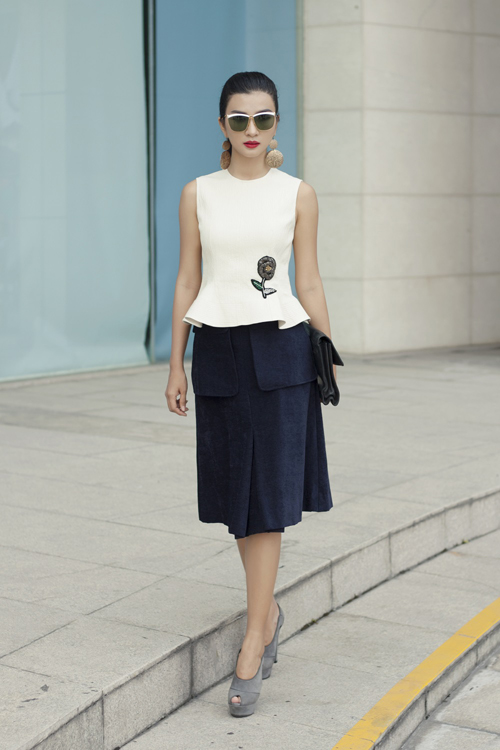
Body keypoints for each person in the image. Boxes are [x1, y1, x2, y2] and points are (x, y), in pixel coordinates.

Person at [165, 71, 336, 718]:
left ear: (276, 123)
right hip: (218, 352)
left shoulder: (298, 194)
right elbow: (188, 279)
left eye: (264, 119)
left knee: (266, 500)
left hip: (284, 351)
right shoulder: (198, 193)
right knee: (236, 494)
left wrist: (328, 351)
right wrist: (176, 363)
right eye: (239, 120)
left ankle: (253, 639)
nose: (252, 131)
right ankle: (269, 613)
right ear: (223, 126)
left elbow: (309, 280)